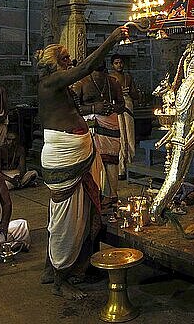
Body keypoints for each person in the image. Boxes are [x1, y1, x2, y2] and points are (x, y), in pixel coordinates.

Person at [35, 25, 128, 300]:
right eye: (64, 59)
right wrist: (112, 38)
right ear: (53, 65)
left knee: (84, 213)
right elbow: (85, 67)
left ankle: (67, 267)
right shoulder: (50, 83)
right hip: (65, 158)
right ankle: (61, 278)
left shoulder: (62, 88)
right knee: (67, 220)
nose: (70, 63)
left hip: (81, 156)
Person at [73, 62, 125, 209]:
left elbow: (121, 105)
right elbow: (74, 108)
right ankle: (95, 193)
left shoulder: (113, 82)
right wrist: (94, 108)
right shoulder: (81, 83)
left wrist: (111, 107)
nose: (100, 75)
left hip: (110, 124)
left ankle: (111, 194)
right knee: (93, 162)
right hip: (91, 127)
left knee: (111, 161)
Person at [109, 54, 139, 179]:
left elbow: (135, 94)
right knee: (121, 137)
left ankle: (130, 167)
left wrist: (129, 92)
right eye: (116, 63)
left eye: (120, 62)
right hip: (116, 106)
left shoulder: (128, 77)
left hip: (128, 104)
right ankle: (121, 169)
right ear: (112, 65)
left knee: (130, 136)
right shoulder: (110, 77)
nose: (119, 65)